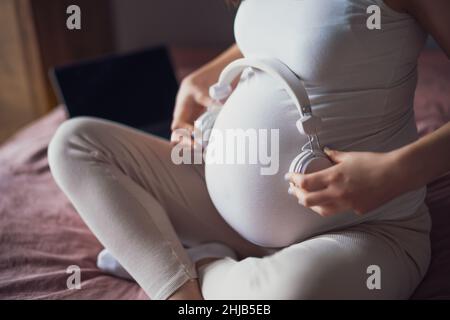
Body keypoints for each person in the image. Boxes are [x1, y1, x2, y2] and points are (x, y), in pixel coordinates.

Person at [48, 0, 450, 300]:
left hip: (362, 229)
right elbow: (293, 28)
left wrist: (396, 171)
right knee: (74, 143)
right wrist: (209, 71)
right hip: (219, 209)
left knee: (293, 295)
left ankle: (180, 265)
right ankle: (183, 292)